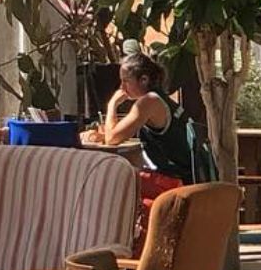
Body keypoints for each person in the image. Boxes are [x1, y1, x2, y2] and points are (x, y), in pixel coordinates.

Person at [83, 52, 218, 191]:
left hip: (177, 182)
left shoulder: (148, 102)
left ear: (144, 79)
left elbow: (112, 138)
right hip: (188, 178)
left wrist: (112, 104)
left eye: (126, 81)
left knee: (117, 180)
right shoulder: (160, 98)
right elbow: (115, 133)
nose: (121, 87)